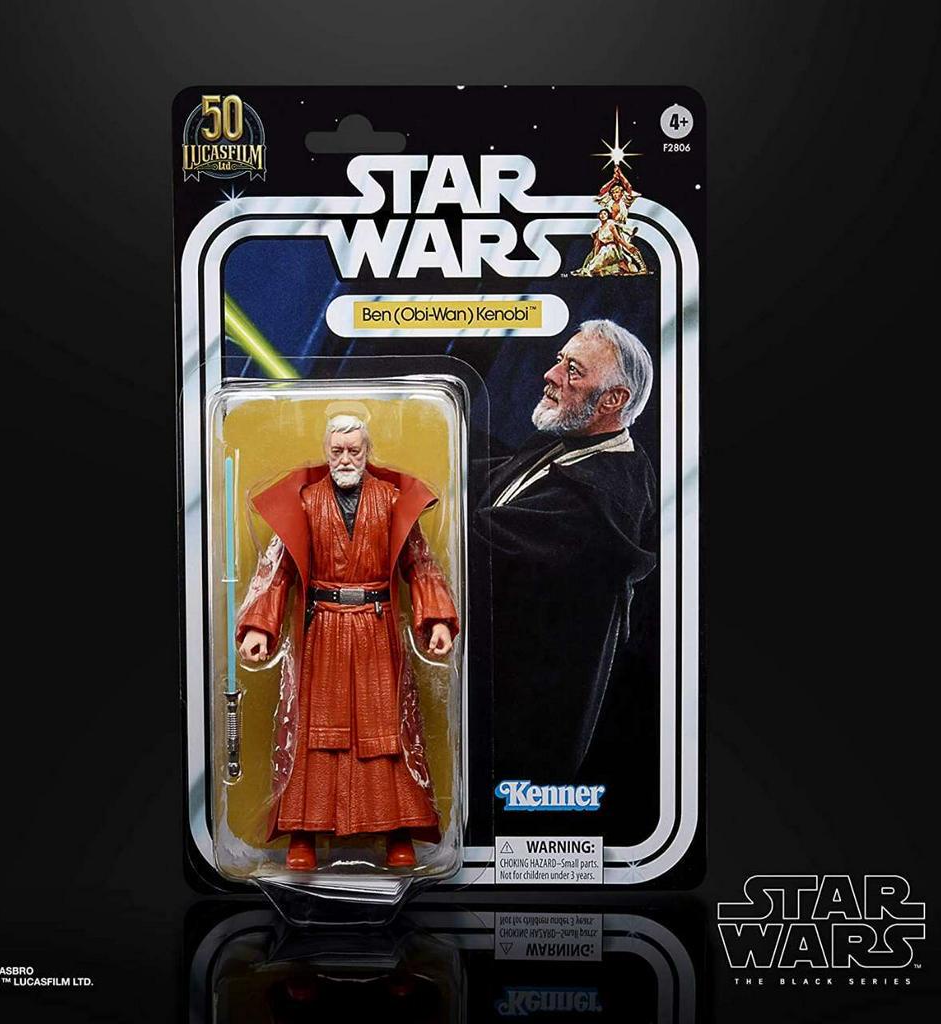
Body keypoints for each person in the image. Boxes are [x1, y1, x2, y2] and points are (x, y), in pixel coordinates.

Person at [236, 414, 459, 871]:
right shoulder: (306, 502)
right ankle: (303, 832)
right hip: (322, 630)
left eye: (353, 451)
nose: (344, 459)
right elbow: (277, 570)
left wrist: (436, 618)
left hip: (377, 629)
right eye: (336, 451)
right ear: (326, 451)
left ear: (367, 451)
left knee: (388, 732)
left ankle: (397, 831)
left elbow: (419, 563)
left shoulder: (390, 499)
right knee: (314, 733)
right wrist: (260, 626)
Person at [478, 320, 657, 781]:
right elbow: (492, 477)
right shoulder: (575, 440)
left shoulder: (602, 501)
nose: (551, 374)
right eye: (560, 360)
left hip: (517, 737)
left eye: (573, 370)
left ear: (613, 400)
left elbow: (483, 545)